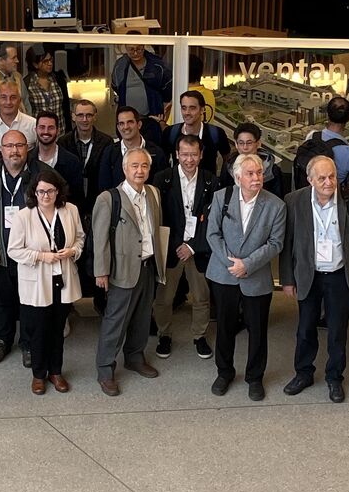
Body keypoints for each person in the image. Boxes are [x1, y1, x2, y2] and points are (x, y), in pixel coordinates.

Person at [280, 156, 349, 402]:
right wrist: (287, 278)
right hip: (308, 275)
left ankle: (335, 378)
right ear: (310, 180)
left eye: (332, 176)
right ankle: (303, 373)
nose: (328, 182)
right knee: (305, 328)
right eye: (321, 178)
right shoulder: (294, 200)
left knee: (337, 331)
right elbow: (288, 242)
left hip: (339, 275)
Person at [204, 153, 286, 400]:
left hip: (256, 277)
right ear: (238, 177)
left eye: (259, 173)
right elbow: (212, 234)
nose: (256, 178)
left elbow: (276, 243)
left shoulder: (276, 205)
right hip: (224, 274)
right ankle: (224, 372)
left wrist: (247, 265)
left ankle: (255, 377)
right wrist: (232, 263)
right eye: (250, 173)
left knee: (257, 330)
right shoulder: (222, 197)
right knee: (224, 327)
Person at [0, 127, 51, 366]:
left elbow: (58, 208)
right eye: (9, 146)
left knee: (29, 302)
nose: (14, 151)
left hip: (31, 254)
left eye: (19, 146)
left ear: (27, 148)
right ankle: (3, 340)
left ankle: (28, 344)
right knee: (1, 301)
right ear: (1, 150)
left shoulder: (43, 174)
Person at [93, 148, 168, 396]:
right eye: (134, 166)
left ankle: (135, 357)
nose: (139, 170)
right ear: (125, 169)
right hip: (122, 269)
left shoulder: (153, 193)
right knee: (116, 320)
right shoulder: (109, 199)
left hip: (147, 265)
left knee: (142, 317)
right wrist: (101, 272)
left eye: (144, 166)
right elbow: (100, 239)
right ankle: (105, 369)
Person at [8, 172, 85, 395]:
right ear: (34, 192)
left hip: (63, 279)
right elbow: (14, 250)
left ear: (58, 191)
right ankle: (38, 374)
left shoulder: (70, 210)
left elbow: (80, 238)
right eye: (41, 191)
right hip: (37, 281)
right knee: (39, 330)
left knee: (58, 329)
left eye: (50, 191)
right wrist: (41, 256)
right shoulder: (24, 216)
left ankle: (56, 371)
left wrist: (72, 251)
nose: (45, 196)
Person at [152, 135, 221, 360]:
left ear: (201, 155)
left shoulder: (211, 181)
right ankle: (164, 335)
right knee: (164, 297)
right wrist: (177, 245)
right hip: (171, 247)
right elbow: (158, 217)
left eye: (193, 154)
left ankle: (199, 336)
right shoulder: (162, 179)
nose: (189, 159)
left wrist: (191, 246)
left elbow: (212, 219)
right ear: (176, 155)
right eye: (184, 154)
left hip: (198, 248)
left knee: (201, 296)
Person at [93, 106, 168, 200]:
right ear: (118, 127)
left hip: (148, 205)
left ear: (139, 124)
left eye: (130, 122)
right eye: (121, 123)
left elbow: (161, 187)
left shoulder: (157, 153)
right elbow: (104, 187)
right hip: (118, 207)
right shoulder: (109, 152)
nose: (126, 127)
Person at [163, 90, 233, 175]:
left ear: (202, 109)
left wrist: (221, 180)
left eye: (192, 108)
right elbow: (163, 162)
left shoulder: (216, 133)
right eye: (184, 108)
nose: (187, 112)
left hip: (209, 182)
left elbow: (228, 160)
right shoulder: (170, 132)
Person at [299, 96, 349, 184]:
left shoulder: (312, 136)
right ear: (348, 118)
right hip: (332, 191)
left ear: (328, 115)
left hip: (309, 189)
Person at [61, 99, 115, 195]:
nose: (84, 119)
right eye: (80, 115)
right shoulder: (63, 143)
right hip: (71, 197)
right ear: (73, 116)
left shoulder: (107, 142)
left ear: (95, 117)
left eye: (89, 115)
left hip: (99, 196)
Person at [34, 111, 88, 207]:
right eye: (42, 127)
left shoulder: (72, 161)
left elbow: (77, 199)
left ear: (58, 131)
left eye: (51, 128)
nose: (46, 131)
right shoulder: (28, 159)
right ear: (35, 129)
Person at [225, 123, 291, 199]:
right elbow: (223, 194)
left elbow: (277, 199)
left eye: (249, 143)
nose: (245, 147)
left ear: (258, 144)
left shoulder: (272, 170)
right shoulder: (229, 165)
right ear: (236, 144)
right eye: (241, 143)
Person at [109, 44, 171, 122]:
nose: (135, 53)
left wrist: (163, 111)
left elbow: (168, 91)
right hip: (127, 118)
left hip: (152, 115)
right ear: (126, 48)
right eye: (131, 49)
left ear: (143, 46)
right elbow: (115, 86)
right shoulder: (120, 65)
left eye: (138, 49)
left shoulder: (157, 65)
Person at [22, 45, 71, 119]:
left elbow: (66, 106)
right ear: (35, 64)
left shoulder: (58, 80)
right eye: (45, 61)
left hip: (59, 125)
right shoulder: (27, 83)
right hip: (38, 125)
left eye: (51, 60)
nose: (50, 63)